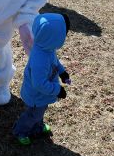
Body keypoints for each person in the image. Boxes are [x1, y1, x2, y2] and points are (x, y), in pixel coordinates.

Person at [12, 13, 71, 145]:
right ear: (54, 38)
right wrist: (58, 90)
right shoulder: (40, 59)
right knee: (33, 115)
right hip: (36, 96)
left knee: (40, 112)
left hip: (42, 96)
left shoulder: (46, 48)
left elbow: (54, 61)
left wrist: (62, 73)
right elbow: (39, 84)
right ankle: (20, 131)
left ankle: (37, 127)